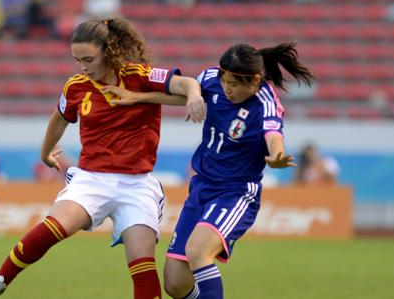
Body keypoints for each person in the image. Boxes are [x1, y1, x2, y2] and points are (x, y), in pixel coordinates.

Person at [0, 17, 206, 299]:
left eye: (89, 59)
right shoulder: (76, 87)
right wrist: (45, 152)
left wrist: (192, 96)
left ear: (109, 51)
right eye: (77, 60)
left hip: (137, 184)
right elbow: (59, 118)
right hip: (92, 179)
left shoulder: (139, 76)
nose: (83, 67)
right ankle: (0, 279)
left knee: (142, 263)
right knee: (52, 228)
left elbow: (187, 83)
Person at [101, 41, 315, 298]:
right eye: (225, 81)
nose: (227, 88)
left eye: (234, 84)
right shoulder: (211, 78)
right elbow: (183, 97)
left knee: (198, 251)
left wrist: (277, 155)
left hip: (235, 192)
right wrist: (138, 97)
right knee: (175, 282)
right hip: (201, 188)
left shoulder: (265, 103)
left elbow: (273, 135)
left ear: (255, 80)